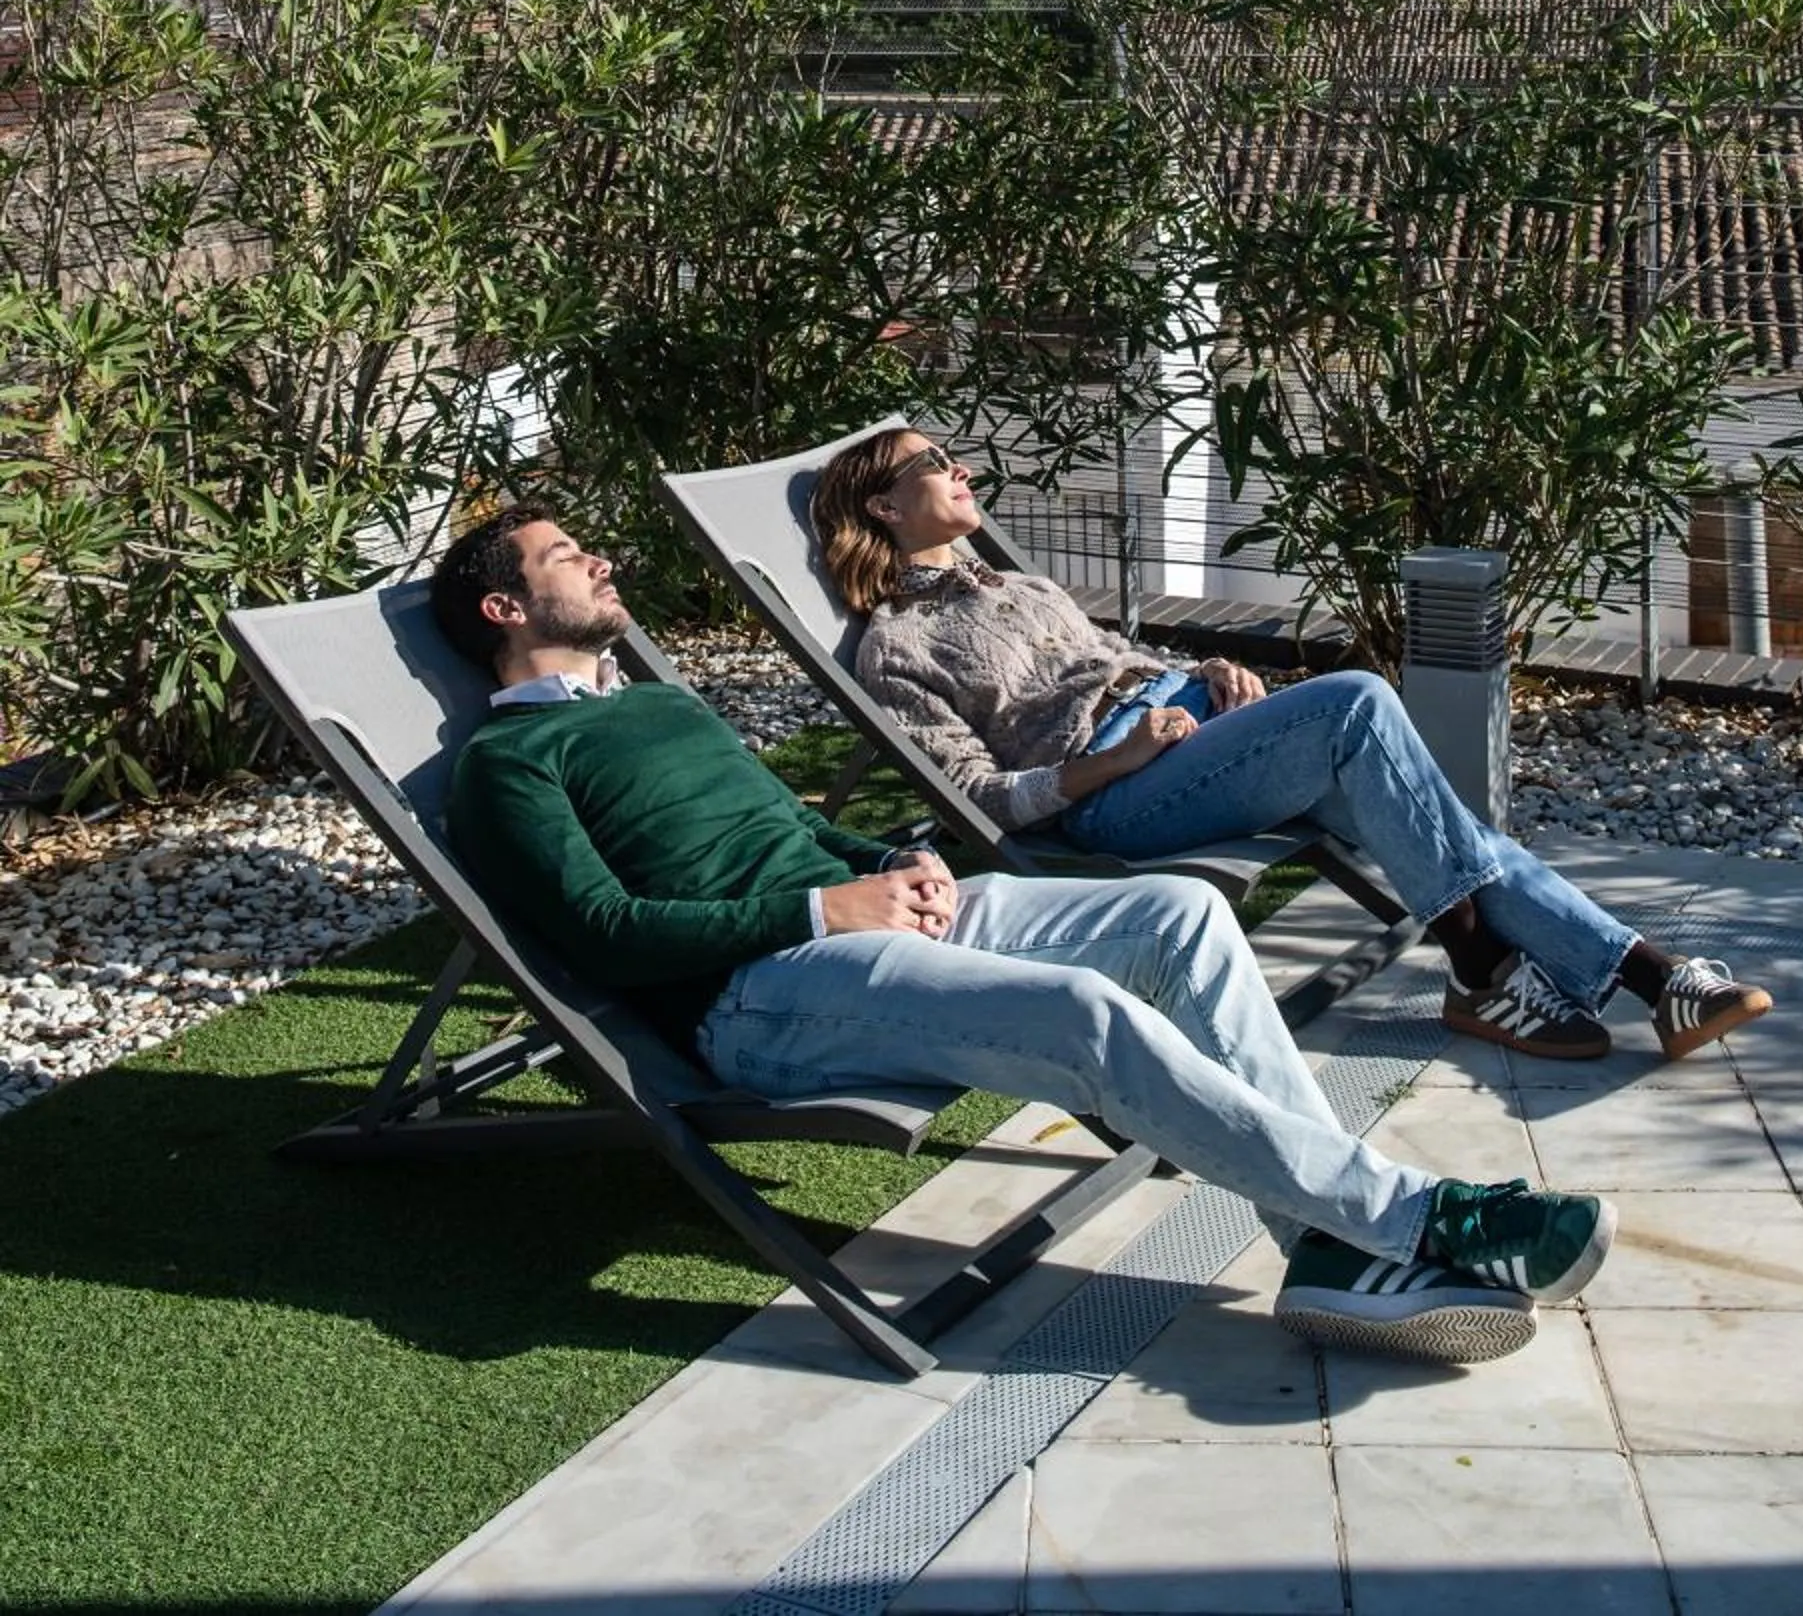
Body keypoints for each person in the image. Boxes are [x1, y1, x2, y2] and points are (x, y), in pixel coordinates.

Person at [431, 505, 1619, 1364]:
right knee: (1084, 1016)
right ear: (506, 607)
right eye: (562, 556)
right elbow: (603, 932)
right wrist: (820, 909)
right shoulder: (505, 763)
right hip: (759, 996)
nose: (595, 558)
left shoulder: (656, 703)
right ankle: (1418, 1217)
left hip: (869, 925)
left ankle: (1327, 1251)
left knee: (1184, 914)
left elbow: (789, 827)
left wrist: (889, 864)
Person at [813, 430, 1773, 1067]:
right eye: (936, 461)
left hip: (1191, 735)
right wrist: (1112, 759)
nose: (962, 467)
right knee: (1355, 700)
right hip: (1121, 794)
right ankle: (1483, 971)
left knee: (1428, 817)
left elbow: (1119, 657)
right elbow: (980, 796)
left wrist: (1213, 669)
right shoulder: (897, 645)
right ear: (887, 510)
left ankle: (1657, 982)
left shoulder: (1019, 588)